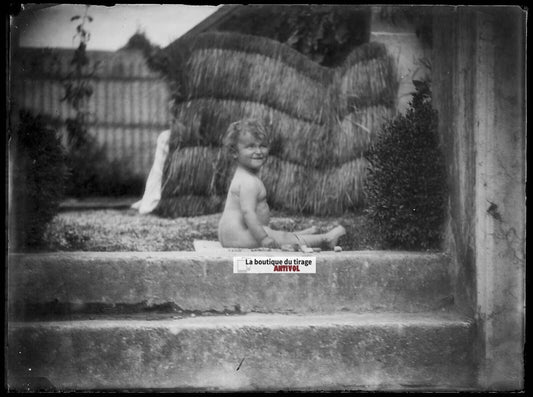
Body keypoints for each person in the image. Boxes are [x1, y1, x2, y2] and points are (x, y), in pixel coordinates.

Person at [218, 119, 346, 249]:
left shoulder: (242, 175)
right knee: (276, 237)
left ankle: (297, 235)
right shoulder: (249, 182)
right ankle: (325, 239)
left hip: (231, 236)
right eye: (250, 146)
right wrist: (264, 239)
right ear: (234, 152)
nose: (258, 151)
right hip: (239, 237)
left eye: (262, 145)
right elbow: (248, 213)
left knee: (275, 234)